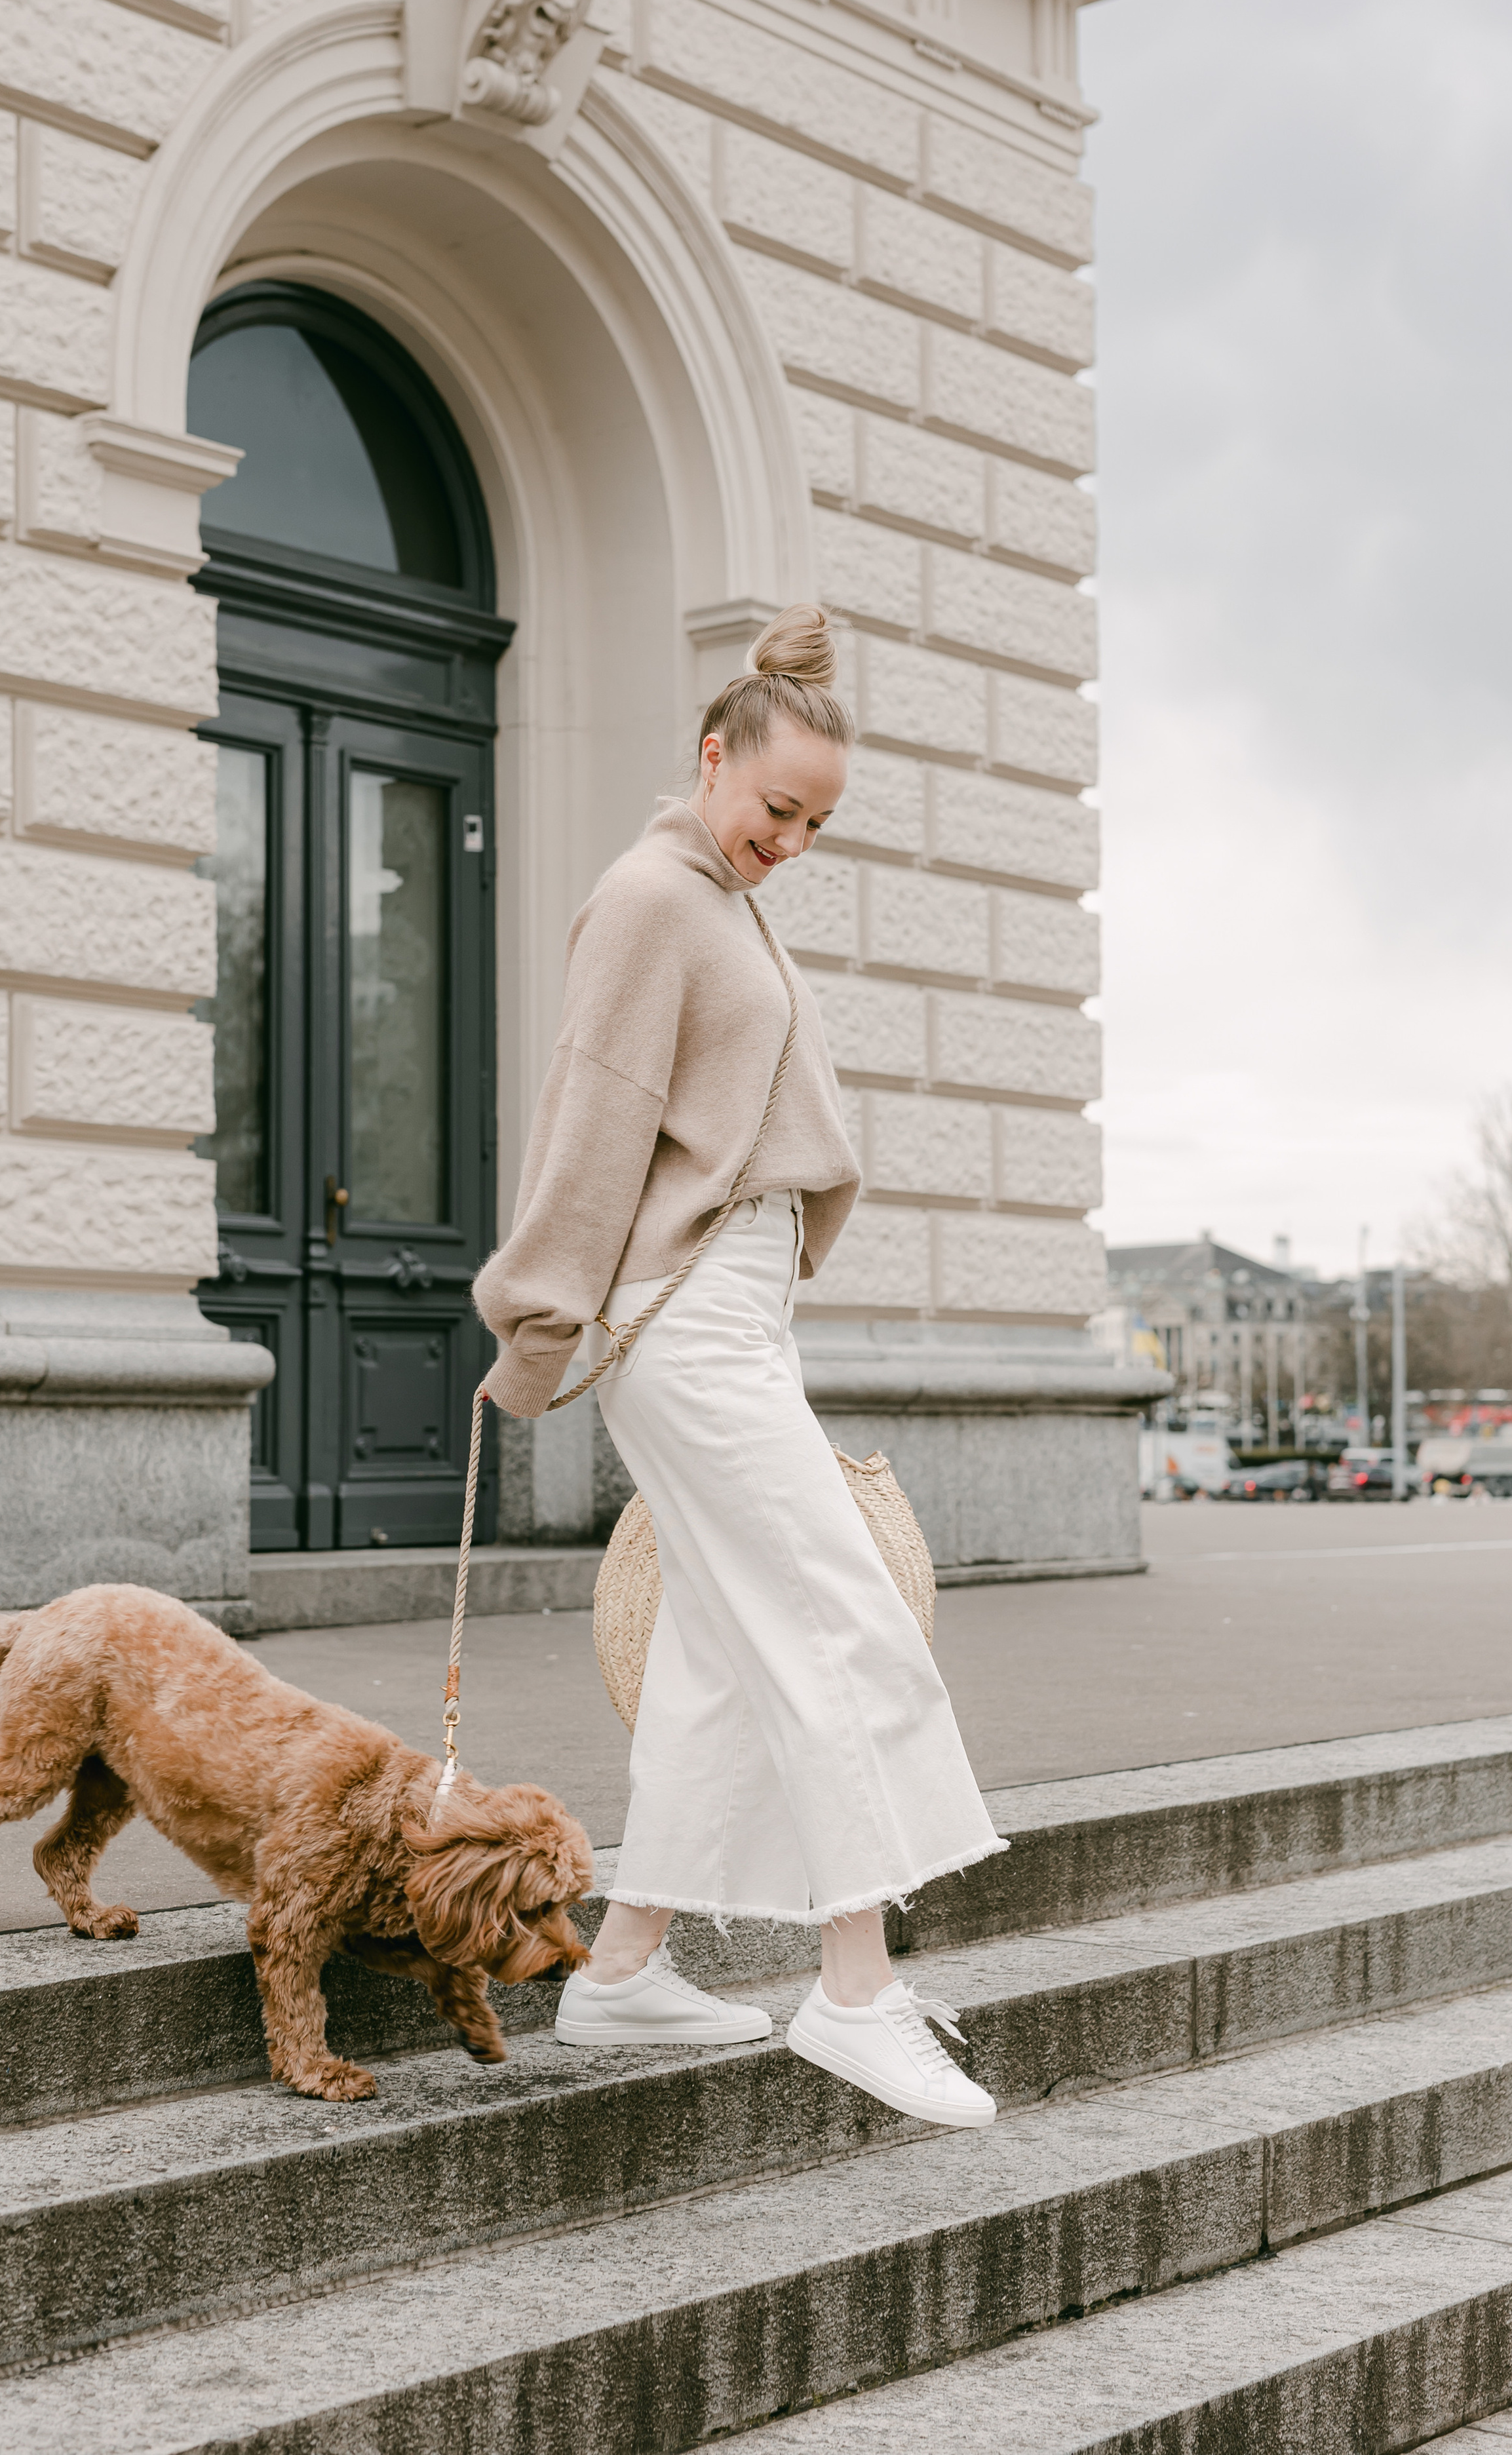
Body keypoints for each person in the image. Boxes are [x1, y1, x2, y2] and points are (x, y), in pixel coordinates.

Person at [471, 605, 1007, 2128]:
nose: (792, 841)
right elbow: (594, 1116)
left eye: (817, 823)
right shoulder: (652, 897)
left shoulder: (720, 894)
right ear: (710, 761)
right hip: (689, 1312)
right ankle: (854, 1989)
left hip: (734, 1305)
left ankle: (623, 1965)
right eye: (776, 808)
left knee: (716, 1651)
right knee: (836, 1617)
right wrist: (534, 1322)